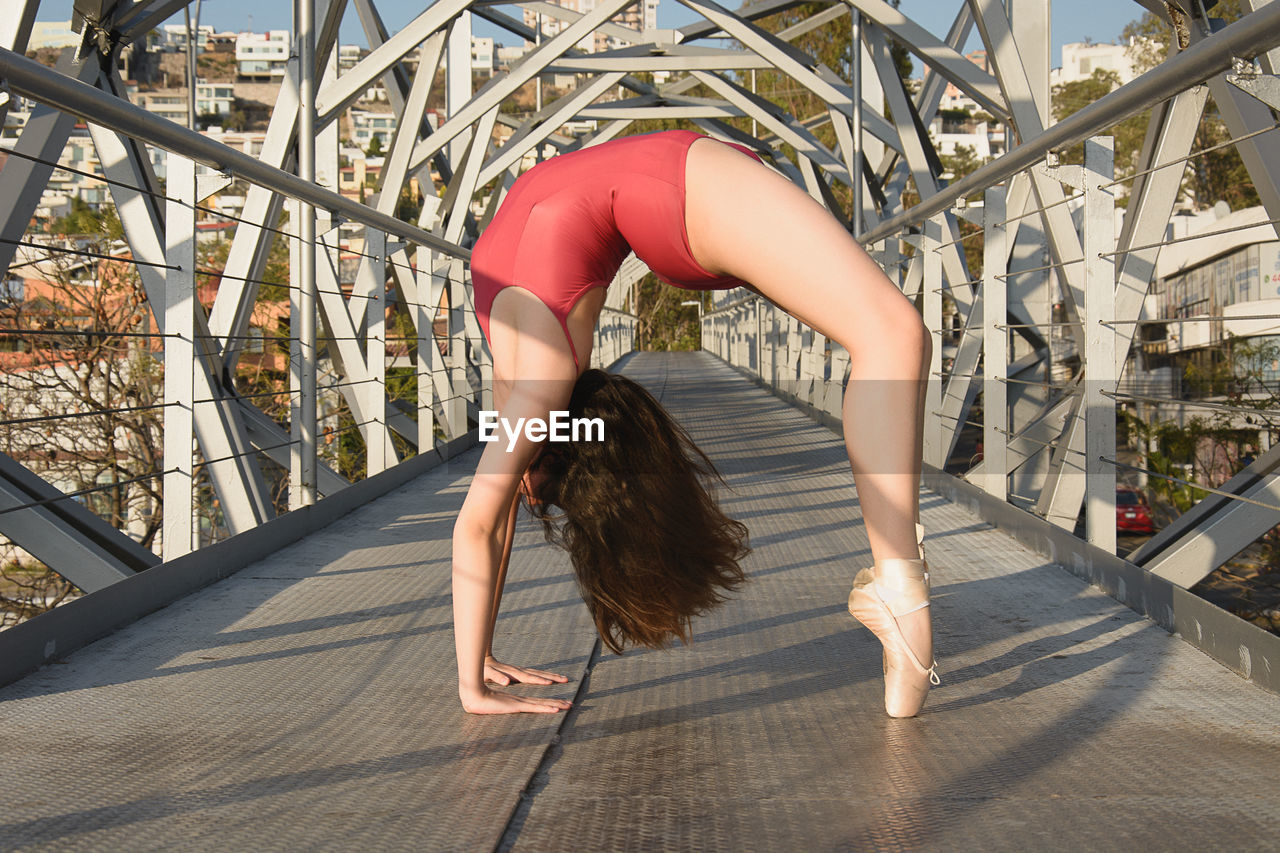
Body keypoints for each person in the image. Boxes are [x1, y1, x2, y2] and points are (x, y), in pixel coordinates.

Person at [452, 129, 937, 719]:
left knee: (893, 335)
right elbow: (487, 519)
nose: (530, 501)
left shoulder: (531, 383)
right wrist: (474, 672)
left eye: (544, 502)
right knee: (894, 334)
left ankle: (899, 589)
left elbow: (484, 520)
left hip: (668, 191)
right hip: (672, 185)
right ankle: (900, 587)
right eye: (545, 498)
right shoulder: (532, 373)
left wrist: (473, 677)